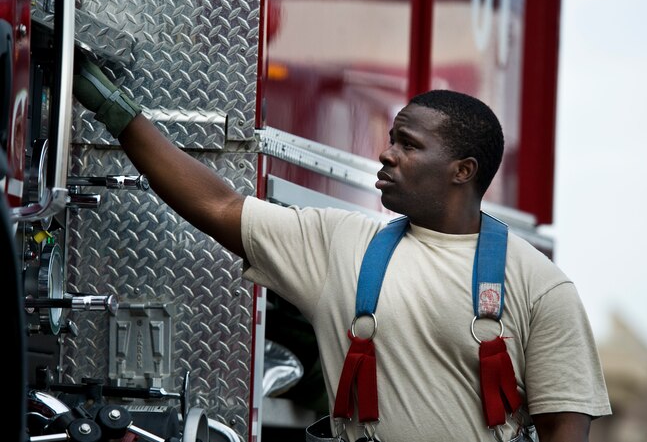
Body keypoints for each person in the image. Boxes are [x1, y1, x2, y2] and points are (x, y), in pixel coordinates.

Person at [73, 54, 611, 442]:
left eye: (408, 144)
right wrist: (113, 108)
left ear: (462, 172)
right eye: (392, 138)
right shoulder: (339, 244)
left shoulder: (539, 286)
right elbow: (217, 206)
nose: (385, 154)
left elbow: (565, 427)